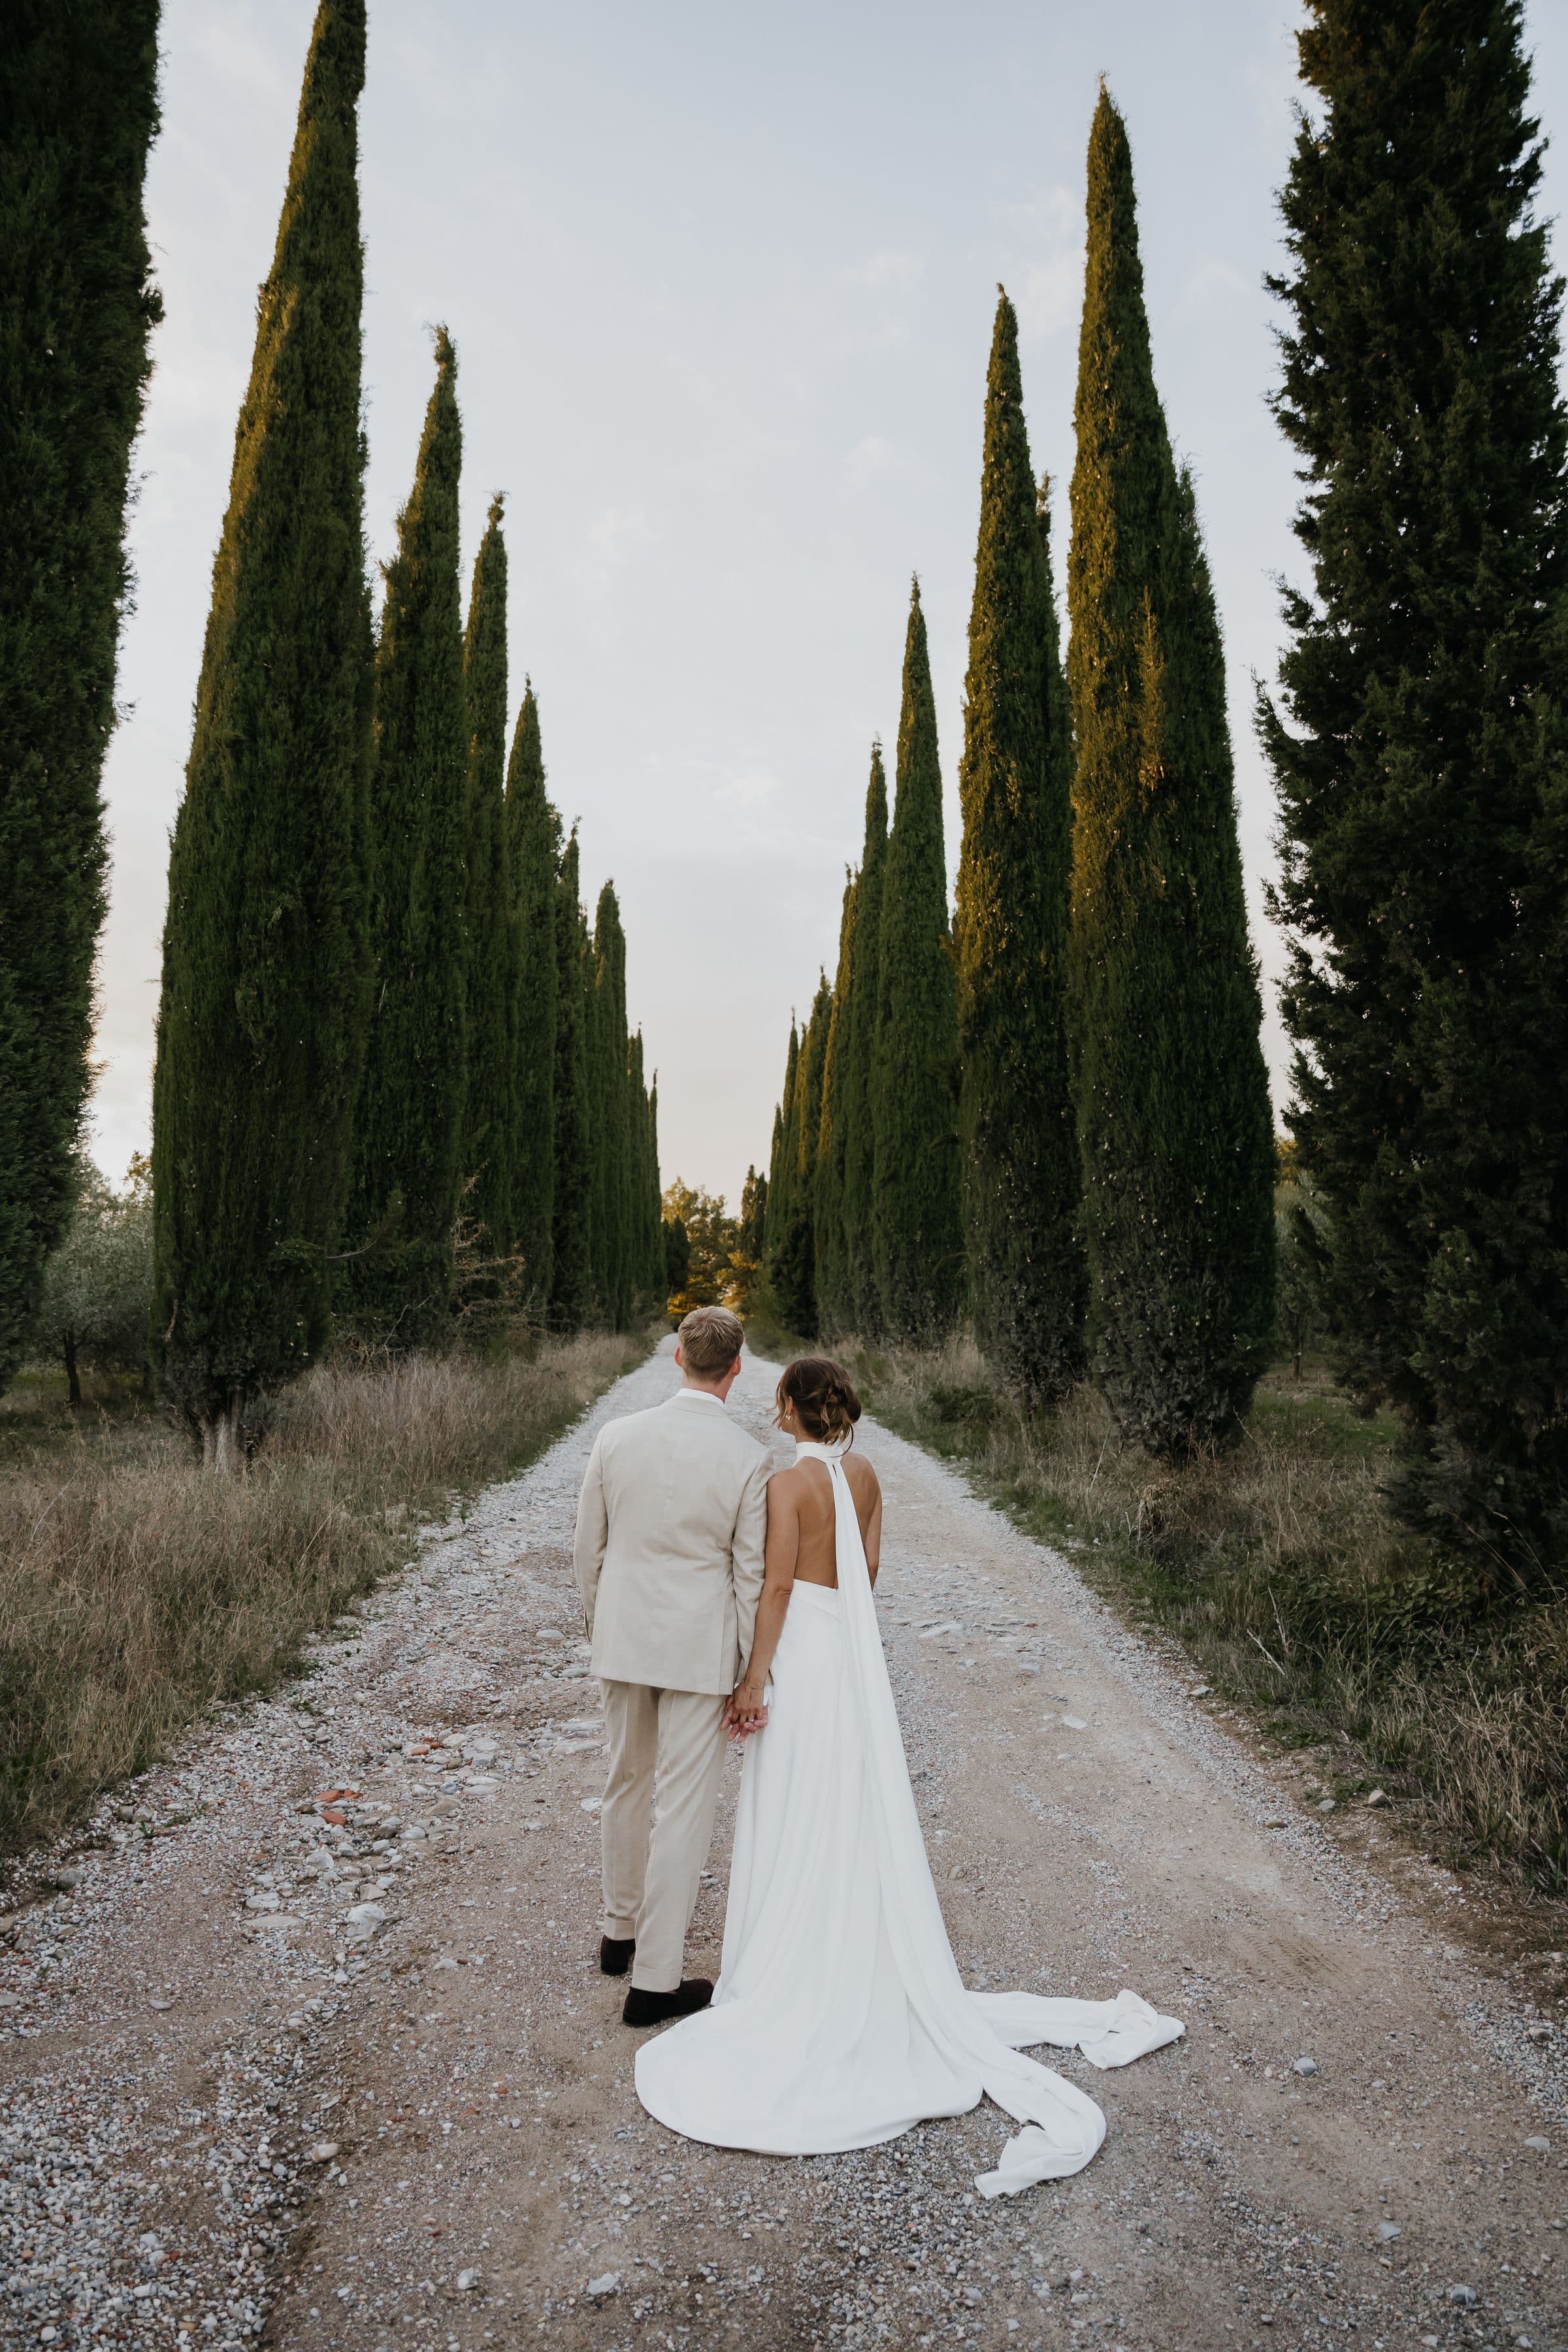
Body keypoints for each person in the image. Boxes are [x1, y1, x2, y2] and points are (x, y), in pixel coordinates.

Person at [632, 1354, 1184, 2197]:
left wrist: (753, 1678)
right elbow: (870, 1573)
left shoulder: (787, 1487)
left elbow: (775, 1587)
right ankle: (855, 1946)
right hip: (848, 1655)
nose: (775, 1411)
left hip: (804, 1659)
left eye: (781, 1401)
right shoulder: (863, 1474)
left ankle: (795, 1962)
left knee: (793, 1801)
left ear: (791, 1407)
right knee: (845, 1802)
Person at [573, 1303, 769, 2026]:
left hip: (623, 1640)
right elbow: (749, 1577)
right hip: (700, 1650)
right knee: (683, 1807)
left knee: (625, 1781)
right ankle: (654, 1981)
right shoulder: (749, 1458)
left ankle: (617, 1935)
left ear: (677, 1358)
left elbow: (586, 1548)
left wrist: (604, 1627)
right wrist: (752, 1675)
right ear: (737, 1368)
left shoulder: (617, 1437)